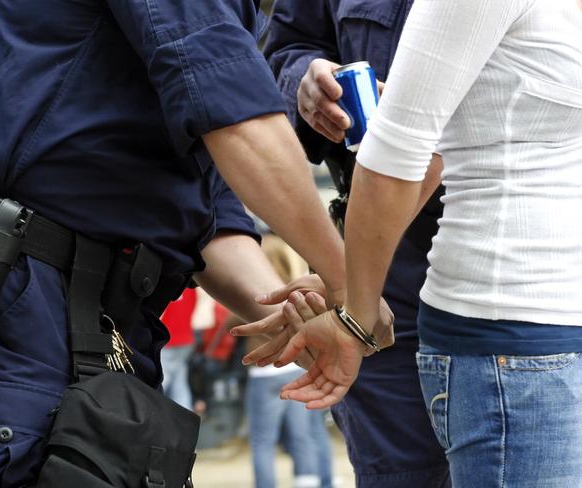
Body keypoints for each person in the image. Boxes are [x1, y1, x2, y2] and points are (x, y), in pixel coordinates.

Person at [0, 1, 348, 486]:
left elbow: (209, 219)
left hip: (106, 327)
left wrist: (293, 312)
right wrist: (351, 287)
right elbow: (237, 121)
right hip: (17, 305)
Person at [239, 0, 582, 486]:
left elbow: (426, 152)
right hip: (450, 286)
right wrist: (355, 297)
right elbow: (403, 153)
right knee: (401, 472)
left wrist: (350, 293)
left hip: (530, 304)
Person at [262, 1, 449, 486]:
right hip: (387, 273)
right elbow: (287, 46)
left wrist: (350, 291)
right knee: (399, 472)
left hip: (515, 254)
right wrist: (305, 82)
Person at [245, 233, 332, 488]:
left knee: (263, 441)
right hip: (294, 368)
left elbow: (237, 323)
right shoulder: (299, 297)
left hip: (264, 372)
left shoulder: (253, 296)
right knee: (302, 435)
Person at [160, 288, 197, 410]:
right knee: (179, 382)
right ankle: (186, 416)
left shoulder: (167, 285)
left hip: (168, 339)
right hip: (186, 338)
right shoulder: (189, 288)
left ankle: (152, 412)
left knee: (162, 381)